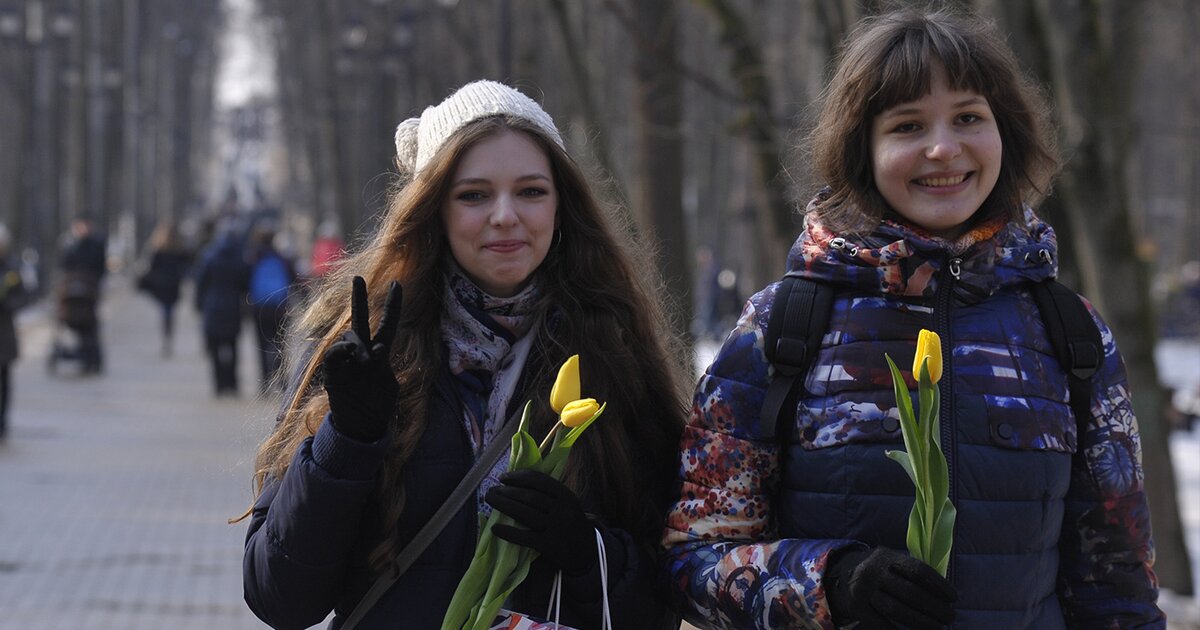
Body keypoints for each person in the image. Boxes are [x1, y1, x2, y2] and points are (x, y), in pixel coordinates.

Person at [662, 7, 1164, 630]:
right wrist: (833, 583)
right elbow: (693, 561)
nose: (943, 148)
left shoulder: (1070, 334)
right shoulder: (782, 328)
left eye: (969, 118)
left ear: (1004, 133)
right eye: (907, 125)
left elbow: (1118, 592)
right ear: (862, 150)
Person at [240, 80, 688, 629]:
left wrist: (587, 552)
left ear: (562, 206)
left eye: (531, 191)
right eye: (474, 194)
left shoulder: (613, 353)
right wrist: (346, 442)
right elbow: (279, 597)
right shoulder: (362, 348)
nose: (505, 215)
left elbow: (671, 590)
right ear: (434, 209)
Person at [193, 221, 250, 397]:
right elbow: (244, 283)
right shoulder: (239, 257)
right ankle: (232, 383)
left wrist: (199, 303)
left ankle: (219, 384)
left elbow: (200, 282)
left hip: (213, 307)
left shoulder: (209, 256)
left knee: (215, 347)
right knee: (232, 346)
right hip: (232, 307)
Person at [246, 225, 297, 392]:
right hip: (280, 307)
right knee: (281, 345)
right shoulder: (281, 258)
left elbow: (245, 282)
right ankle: (282, 380)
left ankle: (264, 381)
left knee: (261, 344)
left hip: (259, 307)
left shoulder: (253, 258)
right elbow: (293, 279)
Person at [57, 215, 107, 374]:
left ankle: (91, 356)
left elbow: (100, 267)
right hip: (72, 289)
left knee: (90, 325)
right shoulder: (70, 245)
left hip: (89, 289)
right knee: (74, 321)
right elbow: (64, 265)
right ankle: (83, 353)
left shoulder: (96, 245)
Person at [137, 220, 193, 358]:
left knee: (165, 312)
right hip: (172, 286)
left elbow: (151, 267)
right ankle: (168, 337)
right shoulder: (179, 249)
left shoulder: (159, 249)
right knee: (169, 312)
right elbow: (188, 265)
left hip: (162, 286)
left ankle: (166, 337)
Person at [0, 224, 31, 441]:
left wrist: (8, 304)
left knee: (4, 378)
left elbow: (24, 295)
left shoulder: (12, 267)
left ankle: (2, 422)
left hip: (4, 333)